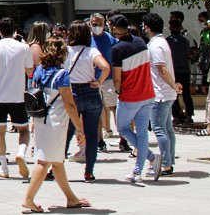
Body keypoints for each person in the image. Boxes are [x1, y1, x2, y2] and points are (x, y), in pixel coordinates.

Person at [22, 39, 89, 213]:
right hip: (56, 122)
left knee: (57, 161)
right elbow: (69, 104)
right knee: (44, 162)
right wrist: (79, 128)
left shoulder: (38, 71)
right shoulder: (62, 75)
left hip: (41, 119)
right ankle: (28, 199)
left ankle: (71, 198)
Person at [0, 17, 32, 180]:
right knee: (23, 129)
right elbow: (30, 71)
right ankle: (21, 153)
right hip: (18, 95)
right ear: (15, 30)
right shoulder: (24, 48)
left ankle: (4, 168)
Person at [108, 14, 156, 183]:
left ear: (113, 27)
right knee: (142, 134)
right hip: (147, 93)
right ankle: (140, 168)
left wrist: (118, 91)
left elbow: (117, 78)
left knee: (122, 128)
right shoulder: (141, 42)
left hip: (130, 96)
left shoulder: (117, 49)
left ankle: (147, 159)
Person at [62, 21, 109, 182]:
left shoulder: (65, 51)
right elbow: (105, 67)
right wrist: (99, 81)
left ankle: (56, 169)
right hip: (91, 92)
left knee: (66, 134)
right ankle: (89, 171)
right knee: (92, 135)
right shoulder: (91, 51)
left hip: (72, 93)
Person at [142, 13, 179, 177]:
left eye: (144, 25)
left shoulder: (156, 45)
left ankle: (165, 165)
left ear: (147, 27)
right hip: (166, 93)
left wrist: (173, 85)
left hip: (160, 94)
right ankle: (169, 162)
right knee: (167, 129)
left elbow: (161, 69)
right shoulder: (161, 42)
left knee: (159, 129)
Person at [88, 13, 119, 153]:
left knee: (114, 108)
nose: (96, 26)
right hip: (92, 79)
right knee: (97, 111)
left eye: (99, 23)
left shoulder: (110, 38)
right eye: (94, 24)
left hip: (109, 79)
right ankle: (100, 140)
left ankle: (123, 139)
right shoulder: (87, 39)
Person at [167, 19, 194, 122]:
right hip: (184, 70)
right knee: (186, 94)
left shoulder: (168, 41)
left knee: (174, 94)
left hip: (173, 71)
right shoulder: (185, 41)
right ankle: (189, 115)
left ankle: (176, 115)